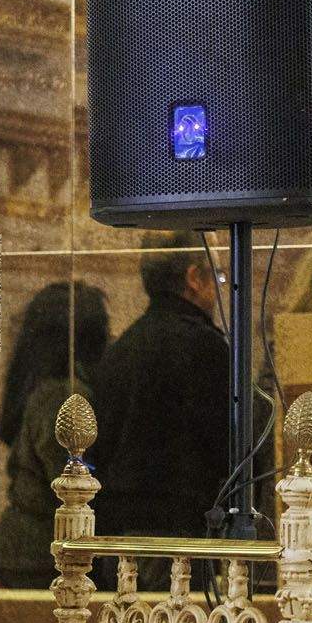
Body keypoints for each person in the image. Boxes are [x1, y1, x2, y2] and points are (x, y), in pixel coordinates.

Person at [87, 232, 229, 545]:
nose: (221, 287)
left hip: (120, 529)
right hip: (184, 531)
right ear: (193, 278)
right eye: (218, 276)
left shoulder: (121, 347)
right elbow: (225, 448)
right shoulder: (206, 347)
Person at [0, 282, 111, 589]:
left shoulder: (42, 387)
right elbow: (67, 475)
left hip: (31, 545)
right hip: (43, 549)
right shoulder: (64, 394)